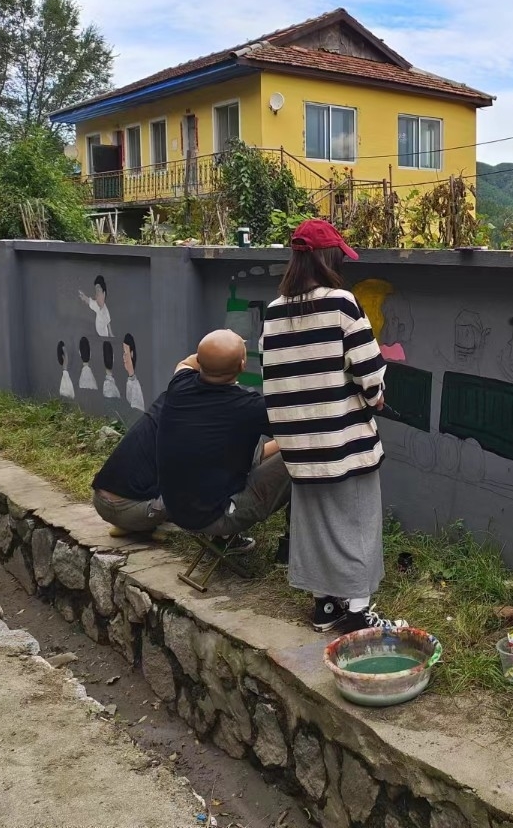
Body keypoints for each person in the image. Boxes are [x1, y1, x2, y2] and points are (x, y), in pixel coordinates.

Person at [262, 219, 389, 635]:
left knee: (314, 525)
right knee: (358, 522)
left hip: (298, 443)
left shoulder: (274, 312)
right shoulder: (341, 304)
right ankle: (358, 611)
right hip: (342, 439)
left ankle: (325, 608)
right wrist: (376, 398)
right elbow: (369, 372)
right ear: (328, 258)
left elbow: (273, 377)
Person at [156, 330, 292, 552]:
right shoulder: (250, 408)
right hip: (217, 516)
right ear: (242, 366)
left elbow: (186, 362)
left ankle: (228, 539)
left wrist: (220, 341)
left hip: (174, 508)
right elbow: (299, 436)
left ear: (200, 361)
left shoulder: (179, 385)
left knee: (239, 442)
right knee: (300, 455)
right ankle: (297, 545)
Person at [91, 388, 167, 537]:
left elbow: (186, 365)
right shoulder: (190, 427)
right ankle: (141, 524)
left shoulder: (163, 402)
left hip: (99, 502)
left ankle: (131, 525)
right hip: (138, 511)